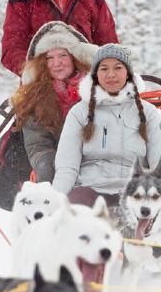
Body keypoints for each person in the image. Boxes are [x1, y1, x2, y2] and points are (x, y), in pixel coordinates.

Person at [52, 44, 161, 207]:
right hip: (90, 188)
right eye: (104, 69)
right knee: (72, 215)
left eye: (118, 68)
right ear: (96, 74)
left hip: (136, 191)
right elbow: (67, 167)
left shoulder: (148, 113)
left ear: (128, 73)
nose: (111, 74)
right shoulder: (79, 113)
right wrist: (55, 203)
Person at [10, 22, 97, 183]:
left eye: (63, 55)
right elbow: (37, 144)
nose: (57, 63)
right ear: (42, 64)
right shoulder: (35, 98)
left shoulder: (99, 89)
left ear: (75, 57)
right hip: (59, 170)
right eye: (49, 58)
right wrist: (45, 164)